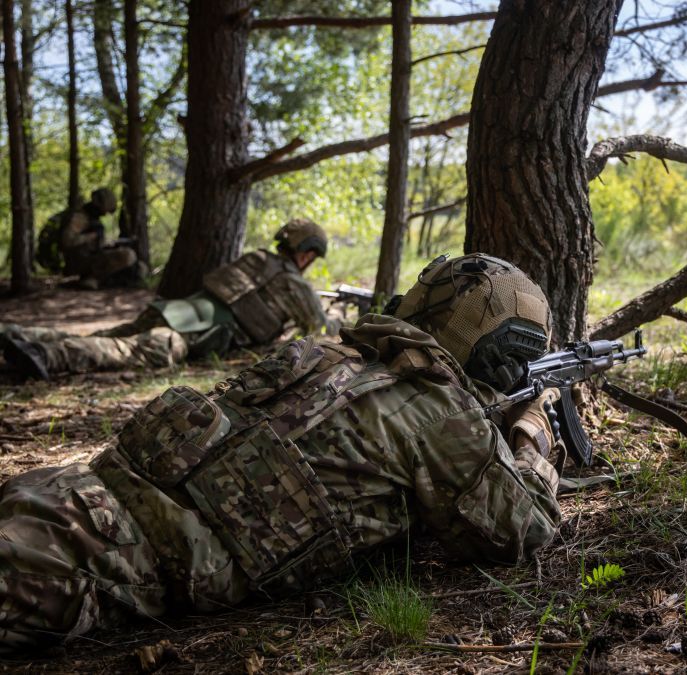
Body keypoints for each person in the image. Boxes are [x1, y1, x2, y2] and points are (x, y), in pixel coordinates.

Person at [0, 253, 564, 654]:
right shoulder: (440, 413)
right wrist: (533, 429)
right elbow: (525, 529)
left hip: (65, 490)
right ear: (499, 350)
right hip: (88, 564)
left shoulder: (321, 353)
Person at [1, 219, 335, 381]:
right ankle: (44, 353)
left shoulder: (258, 258)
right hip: (192, 332)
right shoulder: (295, 285)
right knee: (121, 350)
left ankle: (17, 332)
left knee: (103, 337)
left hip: (173, 310)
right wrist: (338, 318)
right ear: (307, 253)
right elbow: (319, 329)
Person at [37, 188, 142, 289]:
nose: (104, 214)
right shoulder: (80, 217)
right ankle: (92, 279)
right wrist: (90, 237)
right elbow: (67, 241)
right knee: (128, 255)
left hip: (89, 259)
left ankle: (96, 279)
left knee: (140, 268)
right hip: (78, 262)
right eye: (104, 211)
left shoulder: (92, 219)